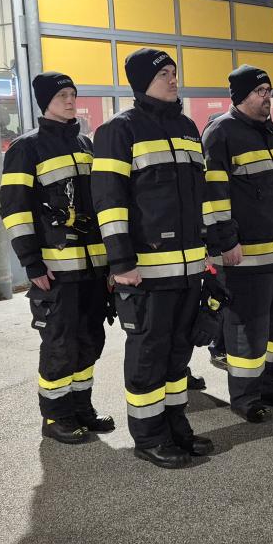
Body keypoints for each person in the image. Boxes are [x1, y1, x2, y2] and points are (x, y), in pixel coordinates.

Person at [91, 49, 212, 468]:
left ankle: (176, 426)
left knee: (179, 353)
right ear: (143, 80)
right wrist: (121, 262)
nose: (174, 79)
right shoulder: (118, 130)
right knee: (148, 354)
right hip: (146, 271)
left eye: (175, 72)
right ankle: (148, 436)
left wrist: (210, 251)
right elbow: (109, 201)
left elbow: (201, 196)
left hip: (189, 267)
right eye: (164, 74)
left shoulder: (187, 127)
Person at [0, 72, 114, 445]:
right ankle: (56, 416)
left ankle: (81, 407)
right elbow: (14, 210)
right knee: (60, 343)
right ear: (45, 101)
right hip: (56, 270)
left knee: (90, 339)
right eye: (62, 95)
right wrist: (31, 262)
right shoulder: (25, 148)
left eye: (73, 94)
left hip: (93, 267)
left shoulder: (85, 144)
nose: (70, 101)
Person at [201, 65, 273, 423]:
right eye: (260, 91)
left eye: (269, 90)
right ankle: (245, 397)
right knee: (247, 328)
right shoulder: (221, 133)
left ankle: (271, 385)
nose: (267, 97)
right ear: (241, 96)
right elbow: (214, 195)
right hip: (246, 257)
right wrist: (226, 241)